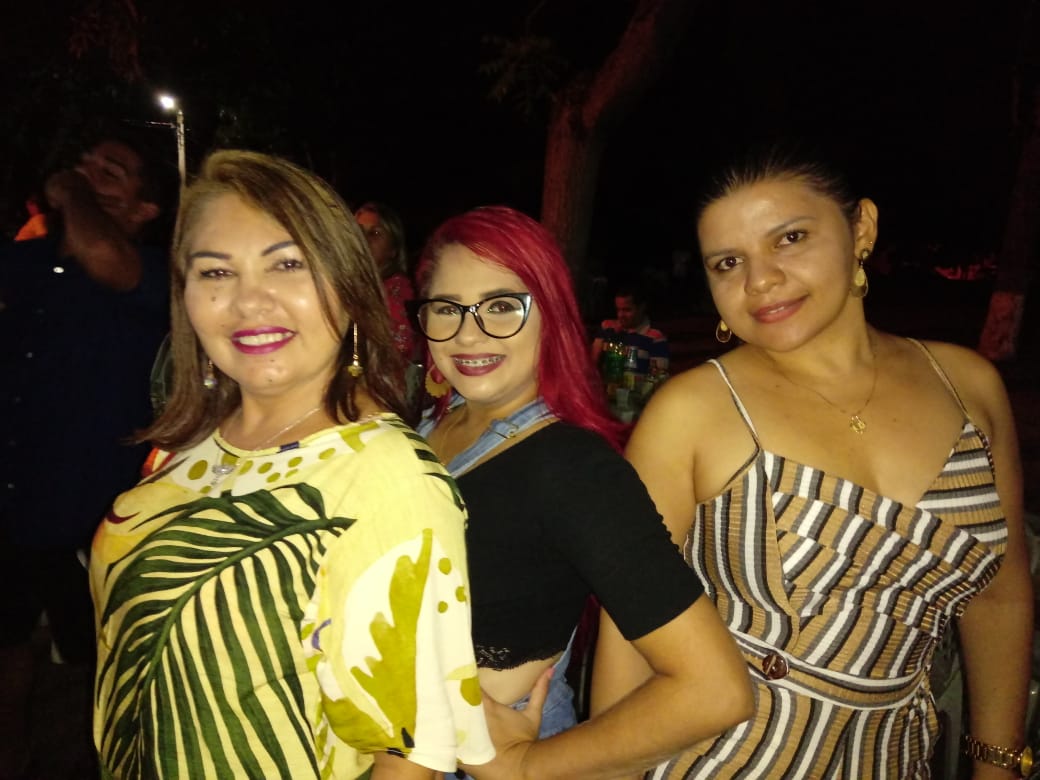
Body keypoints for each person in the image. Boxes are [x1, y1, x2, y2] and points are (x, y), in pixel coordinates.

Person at [593, 143, 1033, 778]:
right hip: (723, 759)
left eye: (790, 238)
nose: (759, 281)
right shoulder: (692, 411)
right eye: (728, 262)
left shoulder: (967, 386)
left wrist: (999, 764)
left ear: (862, 229)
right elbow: (632, 634)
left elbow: (1000, 599)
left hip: (895, 757)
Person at [89, 151, 494, 779]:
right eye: (216, 272)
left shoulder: (388, 478)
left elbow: (411, 754)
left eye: (287, 264)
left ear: (349, 287)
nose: (249, 301)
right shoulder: (184, 444)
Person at [412, 206, 753, 779]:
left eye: (502, 306)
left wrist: (526, 766)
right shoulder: (429, 425)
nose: (469, 333)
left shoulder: (572, 466)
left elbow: (714, 690)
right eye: (447, 308)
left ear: (551, 314)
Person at [0, 127, 175, 778]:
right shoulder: (29, 261)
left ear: (146, 208)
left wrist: (70, 189)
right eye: (85, 165)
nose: (88, 174)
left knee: (100, 667)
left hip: (92, 511)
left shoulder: (151, 273)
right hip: (13, 496)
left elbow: (106, 258)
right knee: (8, 646)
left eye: (112, 172)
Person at [355, 201, 418, 359]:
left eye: (375, 233)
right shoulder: (350, 287)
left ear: (393, 250)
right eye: (358, 232)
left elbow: (397, 358)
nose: (363, 239)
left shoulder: (397, 293)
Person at [590, 283, 669, 376]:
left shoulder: (655, 337)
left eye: (627, 310)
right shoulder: (608, 328)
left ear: (641, 308)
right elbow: (591, 364)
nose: (620, 315)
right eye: (618, 310)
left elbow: (658, 376)